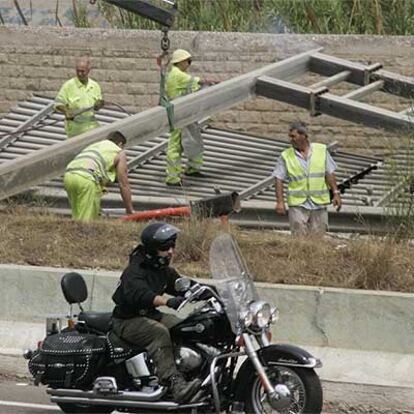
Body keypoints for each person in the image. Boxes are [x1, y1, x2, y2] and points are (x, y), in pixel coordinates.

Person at [111, 222, 201, 403]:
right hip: (128, 320)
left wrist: (208, 290)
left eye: (172, 246)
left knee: (185, 326)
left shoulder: (161, 269)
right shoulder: (134, 271)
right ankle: (174, 384)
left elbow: (180, 284)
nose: (170, 251)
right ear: (152, 250)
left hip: (150, 315)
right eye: (165, 247)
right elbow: (143, 295)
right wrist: (168, 301)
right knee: (159, 333)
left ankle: (192, 371)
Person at [273, 121, 342, 235]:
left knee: (318, 239)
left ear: (303, 136)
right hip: (298, 204)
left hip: (319, 203)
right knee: (299, 239)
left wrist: (336, 193)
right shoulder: (285, 155)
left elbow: (329, 173)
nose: (291, 139)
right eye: (290, 136)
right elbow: (278, 178)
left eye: (293, 136)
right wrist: (280, 202)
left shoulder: (321, 150)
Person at [165, 49, 217, 186]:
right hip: (179, 114)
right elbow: (198, 81)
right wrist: (217, 83)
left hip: (183, 112)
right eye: (188, 61)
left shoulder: (176, 75)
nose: (189, 64)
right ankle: (173, 177)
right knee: (175, 145)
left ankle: (192, 168)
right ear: (181, 61)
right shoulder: (177, 75)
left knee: (193, 140)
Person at [63, 130, 134, 221]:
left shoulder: (95, 146)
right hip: (86, 178)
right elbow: (123, 184)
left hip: (69, 176)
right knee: (86, 221)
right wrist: (129, 209)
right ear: (120, 144)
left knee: (77, 216)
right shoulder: (119, 152)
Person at [55, 58, 104, 138]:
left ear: (88, 71)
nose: (80, 74)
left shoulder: (95, 86)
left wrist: (99, 104)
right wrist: (66, 111)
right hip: (75, 131)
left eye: (82, 71)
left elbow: (98, 104)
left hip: (92, 128)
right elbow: (57, 103)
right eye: (78, 71)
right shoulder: (69, 86)